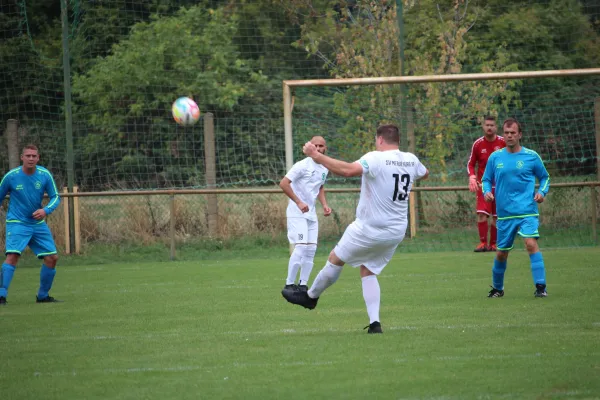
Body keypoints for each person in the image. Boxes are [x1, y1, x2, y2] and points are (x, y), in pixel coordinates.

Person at [281, 124, 428, 333]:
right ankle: (375, 323)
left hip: (369, 228)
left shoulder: (376, 158)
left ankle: (310, 297)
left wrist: (316, 155)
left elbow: (348, 170)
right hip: (396, 231)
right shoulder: (411, 159)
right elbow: (425, 173)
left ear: (379, 140)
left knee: (335, 259)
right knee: (367, 269)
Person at [482, 118, 550, 298]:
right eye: (506, 133)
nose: (509, 136)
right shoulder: (495, 157)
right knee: (501, 253)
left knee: (530, 243)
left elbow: (545, 178)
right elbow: (486, 179)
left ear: (520, 135)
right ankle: (498, 288)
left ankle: (541, 287)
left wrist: (542, 192)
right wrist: (487, 192)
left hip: (527, 210)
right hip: (504, 214)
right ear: (503, 134)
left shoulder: (531, 156)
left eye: (513, 133)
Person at [0, 145, 62, 305]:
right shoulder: (11, 176)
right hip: (17, 222)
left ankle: (42, 296)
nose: (31, 158)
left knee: (52, 257)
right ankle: (1, 295)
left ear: (38, 158)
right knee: (12, 256)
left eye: (34, 156)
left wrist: (45, 210)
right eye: (28, 155)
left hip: (37, 223)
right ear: (22, 158)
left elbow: (56, 196)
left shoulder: (44, 175)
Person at [279, 136, 331, 293]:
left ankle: (303, 285)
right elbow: (283, 183)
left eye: (321, 146)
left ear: (325, 148)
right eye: (315, 145)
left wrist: (324, 204)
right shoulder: (301, 166)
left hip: (311, 214)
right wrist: (298, 202)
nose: (318, 148)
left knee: (311, 250)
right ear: (310, 147)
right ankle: (289, 284)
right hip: (297, 213)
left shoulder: (325, 167)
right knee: (301, 247)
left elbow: (320, 187)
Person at [467, 116, 506, 252]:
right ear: (483, 127)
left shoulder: (503, 142)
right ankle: (483, 243)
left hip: (500, 186)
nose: (489, 127)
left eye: (492, 125)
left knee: (497, 216)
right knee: (482, 214)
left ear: (496, 127)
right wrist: (472, 177)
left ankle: (494, 244)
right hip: (483, 185)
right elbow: (471, 164)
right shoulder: (478, 144)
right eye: (487, 125)